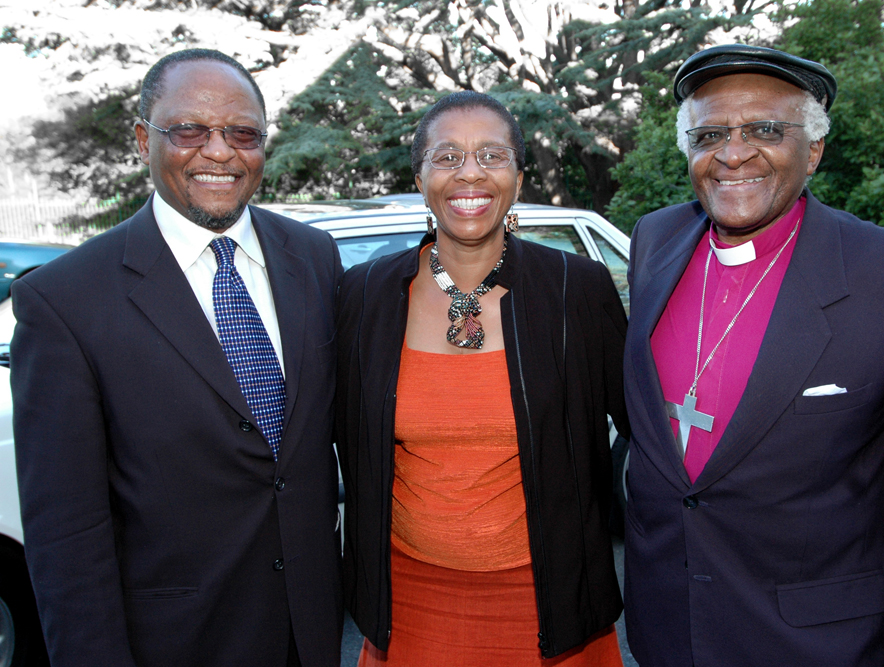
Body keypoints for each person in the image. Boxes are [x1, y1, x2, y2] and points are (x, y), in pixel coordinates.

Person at [622, 44, 884, 666]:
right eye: (710, 134)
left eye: (765, 129)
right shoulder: (655, 239)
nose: (733, 154)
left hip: (819, 646)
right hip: (665, 632)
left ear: (813, 149)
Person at [11, 49, 343, 667]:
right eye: (189, 129)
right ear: (143, 140)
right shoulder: (64, 301)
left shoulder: (314, 258)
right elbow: (67, 539)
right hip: (173, 643)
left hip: (314, 633)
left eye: (242, 132)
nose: (218, 151)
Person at [335, 90, 629, 666]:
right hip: (410, 612)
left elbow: (648, 437)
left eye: (492, 155)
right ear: (419, 177)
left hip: (556, 613)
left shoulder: (578, 290)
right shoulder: (364, 295)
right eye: (446, 157)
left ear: (519, 177)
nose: (469, 174)